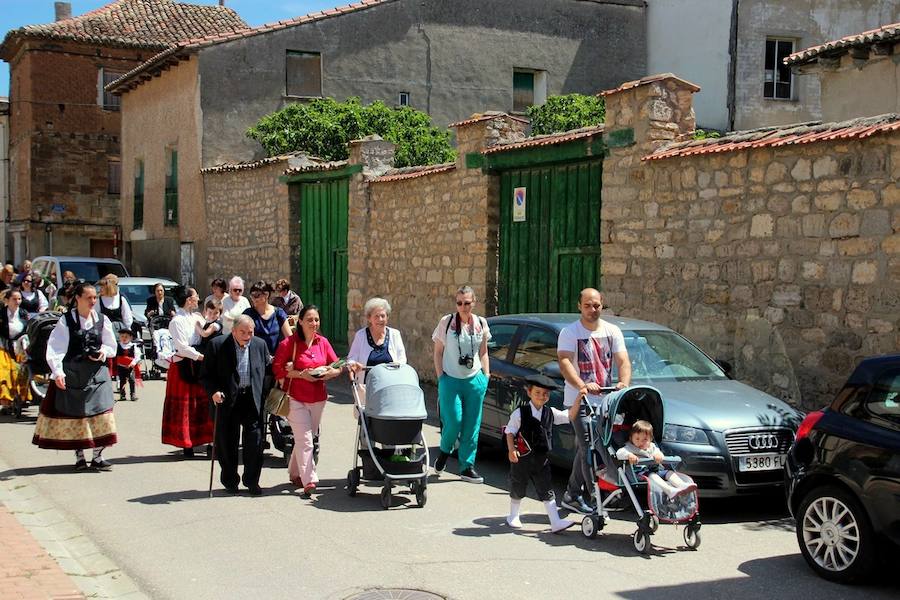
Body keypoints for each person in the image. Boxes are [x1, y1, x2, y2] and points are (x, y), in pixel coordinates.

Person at [558, 288, 632, 515]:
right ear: (579, 306)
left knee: (585, 447)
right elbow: (564, 362)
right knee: (589, 445)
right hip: (580, 401)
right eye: (588, 305)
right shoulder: (570, 332)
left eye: (596, 305)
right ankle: (594, 496)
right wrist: (581, 385)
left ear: (602, 305)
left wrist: (624, 384)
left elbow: (623, 361)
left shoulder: (612, 331)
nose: (592, 309)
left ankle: (572, 494)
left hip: (606, 401)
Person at [32, 282, 117, 470]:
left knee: (103, 411)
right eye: (89, 297)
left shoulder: (103, 320)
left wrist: (102, 352)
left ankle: (97, 456)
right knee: (78, 416)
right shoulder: (66, 321)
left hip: (97, 374)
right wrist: (58, 372)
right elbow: (56, 348)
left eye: (95, 297)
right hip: (74, 373)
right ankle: (79, 456)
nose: (93, 301)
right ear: (78, 298)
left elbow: (111, 345)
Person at [272, 305, 342, 496]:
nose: (314, 323)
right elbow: (277, 368)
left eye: (316, 320)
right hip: (295, 398)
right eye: (310, 319)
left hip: (318, 398)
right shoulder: (289, 344)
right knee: (305, 440)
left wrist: (330, 372)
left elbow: (337, 365)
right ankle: (309, 479)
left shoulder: (323, 342)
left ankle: (295, 472)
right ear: (300, 321)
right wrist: (300, 374)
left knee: (305, 439)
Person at [202, 315, 269, 495]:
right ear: (233, 331)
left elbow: (267, 370)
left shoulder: (259, 345)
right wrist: (213, 392)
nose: (247, 335)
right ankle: (230, 481)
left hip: (251, 399)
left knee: (255, 442)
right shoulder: (217, 345)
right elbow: (206, 375)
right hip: (227, 400)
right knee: (227, 443)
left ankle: (252, 481)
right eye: (243, 332)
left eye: (250, 332)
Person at [505, 374, 580, 532]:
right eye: (537, 392)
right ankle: (513, 515)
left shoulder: (550, 413)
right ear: (529, 393)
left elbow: (570, 416)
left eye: (545, 394)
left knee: (547, 489)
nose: (541, 396)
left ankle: (555, 522)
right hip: (522, 458)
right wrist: (512, 450)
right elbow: (509, 432)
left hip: (541, 460)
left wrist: (580, 397)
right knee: (518, 486)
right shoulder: (520, 413)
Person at [431, 285, 491, 484]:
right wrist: (441, 377)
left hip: (475, 380)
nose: (463, 307)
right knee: (454, 421)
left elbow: (483, 352)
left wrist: (486, 375)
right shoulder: (446, 322)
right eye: (459, 303)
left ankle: (467, 466)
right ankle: (444, 452)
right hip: (450, 380)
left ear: (474, 302)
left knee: (471, 426)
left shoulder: (481, 323)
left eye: (467, 303)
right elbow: (438, 352)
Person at [160, 286, 214, 457]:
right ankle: (186, 443)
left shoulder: (197, 317)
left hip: (199, 364)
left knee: (202, 404)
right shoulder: (177, 321)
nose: (198, 299)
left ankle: (208, 441)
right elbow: (182, 347)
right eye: (196, 296)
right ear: (189, 299)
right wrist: (201, 357)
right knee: (186, 406)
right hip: (184, 365)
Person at [615, 419, 697, 500]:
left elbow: (658, 453)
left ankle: (681, 485)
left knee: (669, 472)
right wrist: (629, 455)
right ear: (631, 438)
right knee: (652, 475)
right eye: (637, 439)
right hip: (639, 474)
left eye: (645, 440)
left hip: (655, 470)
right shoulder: (629, 447)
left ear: (650, 439)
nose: (640, 442)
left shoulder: (652, 447)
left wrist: (658, 455)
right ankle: (670, 490)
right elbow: (619, 453)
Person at [243, 281, 291, 399]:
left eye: (256, 295)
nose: (253, 299)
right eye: (251, 295)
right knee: (259, 396)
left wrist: (286, 357)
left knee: (276, 397)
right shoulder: (248, 313)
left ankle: (275, 417)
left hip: (276, 360)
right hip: (255, 360)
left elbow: (289, 338)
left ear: (266, 295)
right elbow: (245, 337)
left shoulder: (278, 313)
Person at [347, 297, 407, 380]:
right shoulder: (361, 335)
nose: (380, 319)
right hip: (365, 387)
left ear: (387, 317)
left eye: (383, 316)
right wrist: (353, 364)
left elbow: (402, 360)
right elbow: (351, 359)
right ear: (369, 318)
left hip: (390, 384)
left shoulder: (395, 334)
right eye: (376, 316)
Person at [0, 289, 30, 412]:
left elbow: (27, 330)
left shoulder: (23, 313)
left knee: (21, 371)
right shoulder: (1, 313)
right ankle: (6, 401)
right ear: (7, 300)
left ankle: (21, 398)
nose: (17, 301)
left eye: (19, 299)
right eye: (14, 299)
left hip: (20, 345)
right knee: (5, 371)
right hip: (4, 345)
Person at [114, 328, 141, 402]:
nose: (124, 338)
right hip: (121, 366)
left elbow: (137, 356)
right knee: (122, 380)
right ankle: (122, 395)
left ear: (130, 338)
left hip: (130, 367)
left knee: (131, 380)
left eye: (126, 337)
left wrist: (133, 363)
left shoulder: (133, 346)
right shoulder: (118, 346)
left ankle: (133, 394)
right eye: (122, 336)